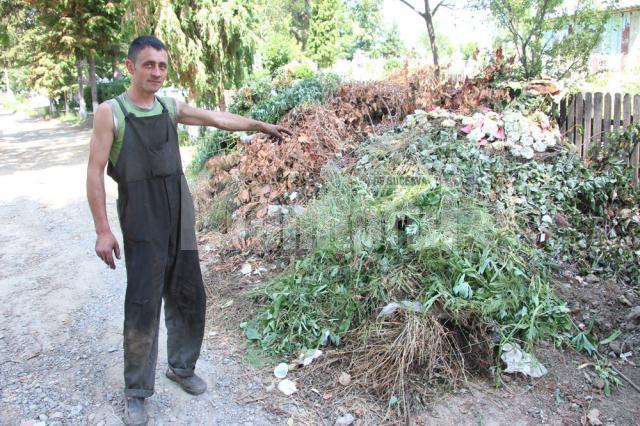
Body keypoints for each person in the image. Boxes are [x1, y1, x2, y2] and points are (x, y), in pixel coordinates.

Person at [86, 35, 291, 426]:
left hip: (180, 216)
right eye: (149, 65)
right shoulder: (111, 113)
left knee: (189, 295)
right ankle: (136, 391)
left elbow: (216, 118)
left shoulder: (168, 106)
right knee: (143, 304)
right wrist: (102, 231)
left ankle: (181, 367)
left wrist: (258, 124)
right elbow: (94, 173)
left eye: (162, 65)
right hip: (142, 220)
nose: (157, 73)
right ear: (130, 67)